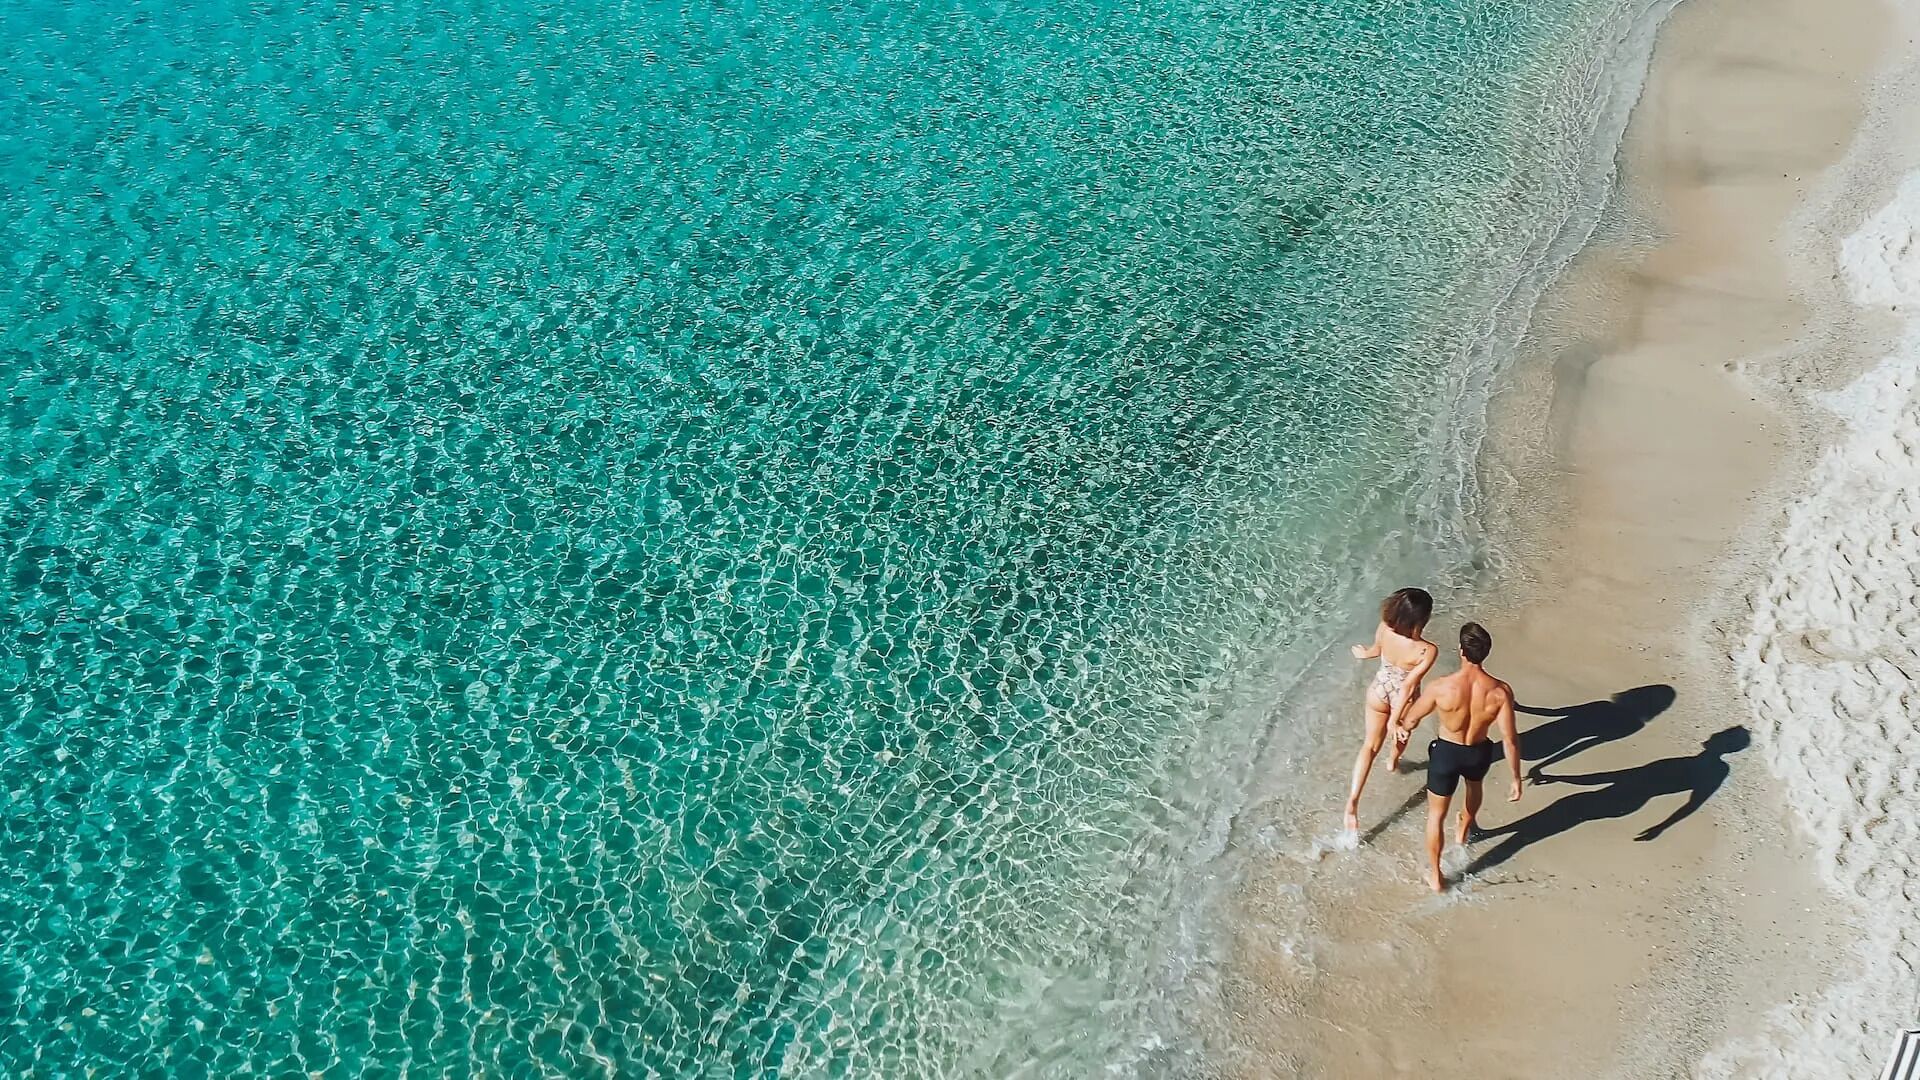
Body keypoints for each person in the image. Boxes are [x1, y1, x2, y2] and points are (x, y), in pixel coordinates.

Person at [1395, 621, 1522, 892]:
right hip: (1478, 752)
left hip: (1446, 755)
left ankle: (1437, 877)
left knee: (1435, 817)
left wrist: (1401, 729)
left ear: (1461, 651)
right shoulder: (1500, 691)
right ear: (1485, 652)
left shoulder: (1441, 687)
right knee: (1474, 788)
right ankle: (1463, 833)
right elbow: (1510, 739)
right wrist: (1516, 778)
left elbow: (1412, 718)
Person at [1344, 587, 1438, 831]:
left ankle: (1352, 803)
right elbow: (1408, 686)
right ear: (1421, 619)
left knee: (1369, 746)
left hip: (1379, 690)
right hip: (1403, 702)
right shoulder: (1426, 650)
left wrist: (1364, 654)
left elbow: (1376, 650)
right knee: (1401, 736)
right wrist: (1394, 721)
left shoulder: (1386, 628)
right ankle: (1393, 762)